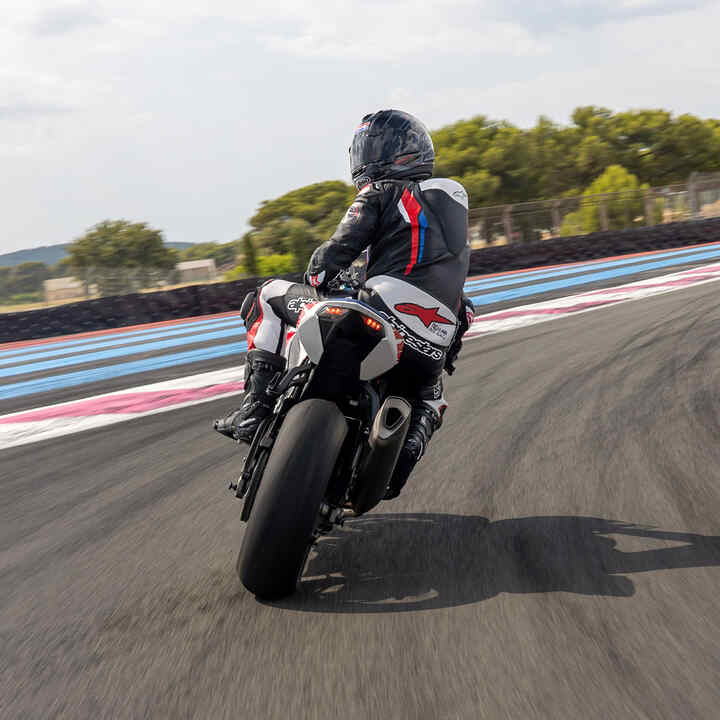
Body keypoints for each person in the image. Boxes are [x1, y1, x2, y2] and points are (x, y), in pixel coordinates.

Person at [214, 109, 473, 499]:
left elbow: (333, 254)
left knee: (267, 294)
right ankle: (407, 447)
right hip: (432, 345)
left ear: (398, 156)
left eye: (378, 148)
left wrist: (317, 278)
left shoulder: (381, 193)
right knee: (432, 398)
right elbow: (464, 312)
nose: (369, 157)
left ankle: (255, 408)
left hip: (379, 314)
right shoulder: (454, 221)